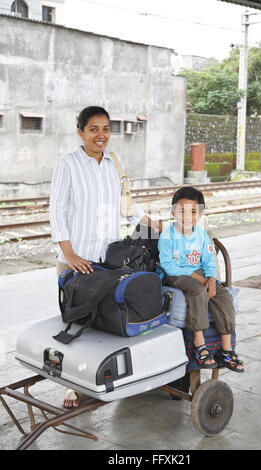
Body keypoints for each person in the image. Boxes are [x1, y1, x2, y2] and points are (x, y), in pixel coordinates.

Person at [50, 105, 159, 407]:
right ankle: (72, 385)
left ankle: (95, 378)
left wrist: (149, 221)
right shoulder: (68, 164)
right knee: (75, 323)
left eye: (106, 129)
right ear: (81, 132)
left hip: (108, 258)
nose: (101, 135)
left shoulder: (114, 163)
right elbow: (56, 209)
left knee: (101, 323)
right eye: (94, 129)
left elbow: (126, 203)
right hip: (79, 258)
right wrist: (69, 254)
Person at [158, 186, 244, 372]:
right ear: (173, 212)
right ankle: (199, 343)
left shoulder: (202, 235)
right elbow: (167, 264)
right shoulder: (167, 236)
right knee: (197, 292)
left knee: (223, 296)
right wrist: (199, 279)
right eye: (182, 211)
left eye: (193, 212)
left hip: (200, 273)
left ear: (201, 214)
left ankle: (227, 349)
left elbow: (208, 261)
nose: (187, 216)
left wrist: (211, 279)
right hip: (177, 273)